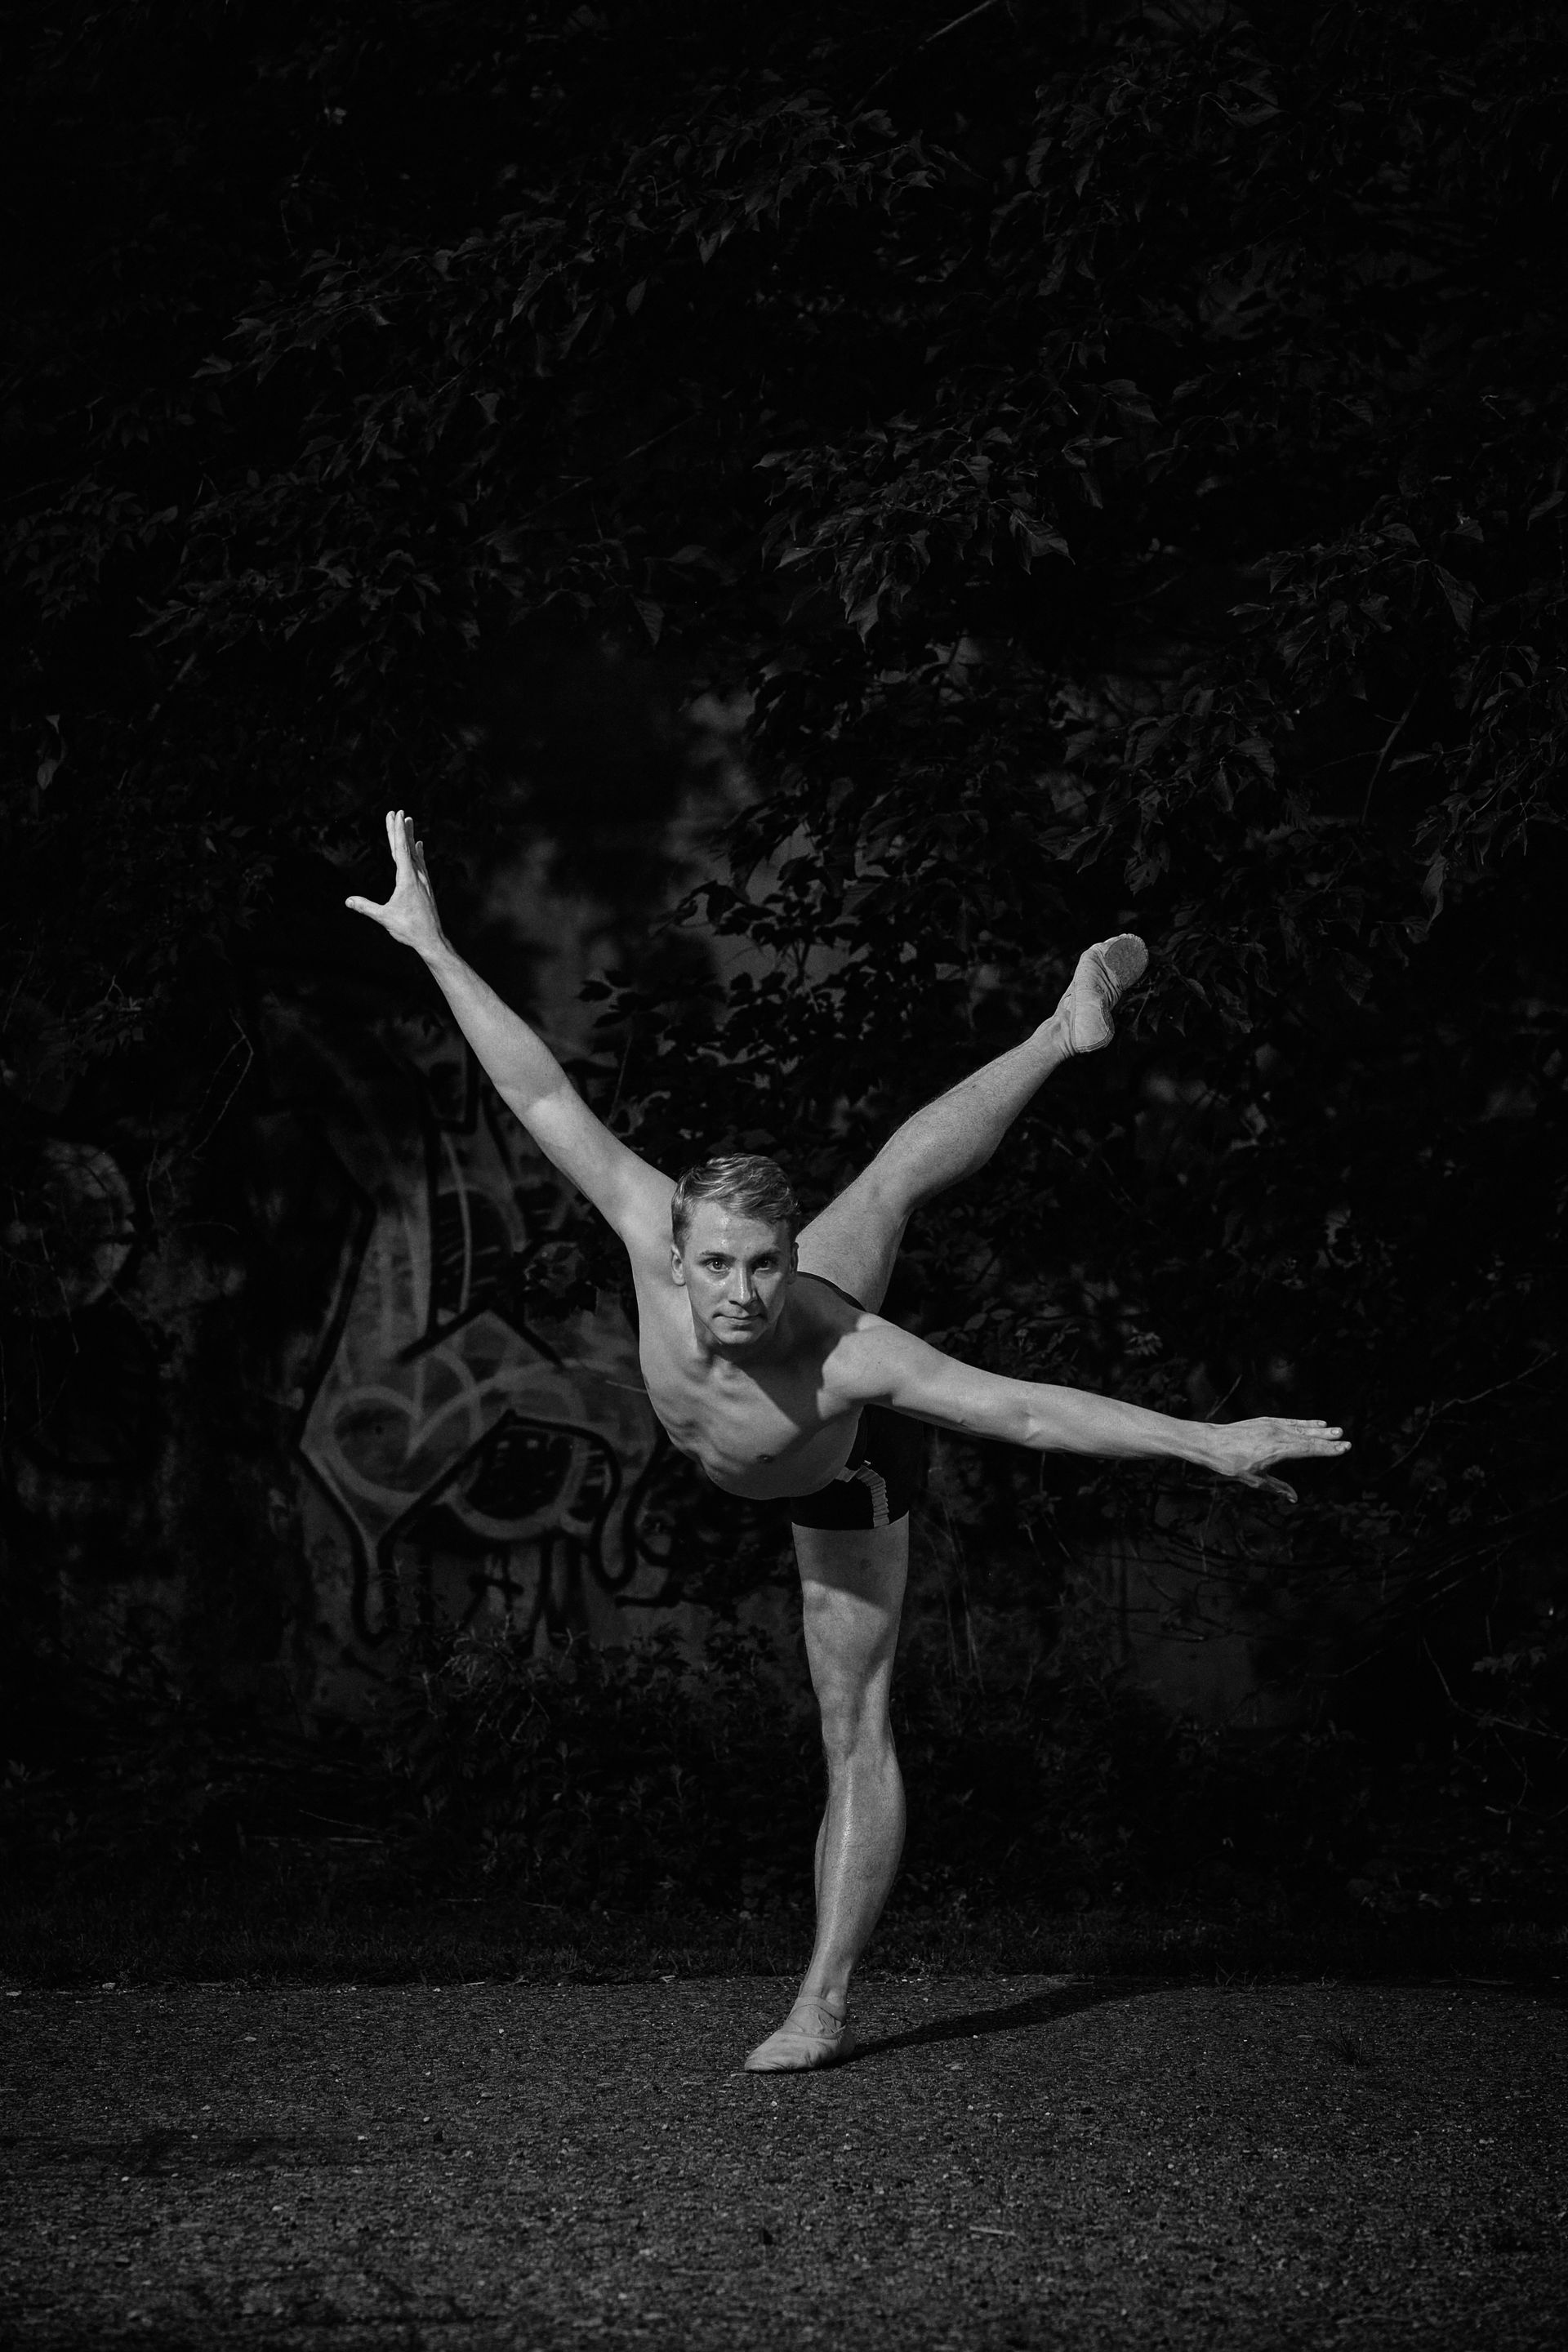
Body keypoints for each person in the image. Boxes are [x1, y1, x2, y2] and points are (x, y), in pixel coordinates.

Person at [347, 811, 1349, 2071]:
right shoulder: (647, 1221)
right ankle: (1061, 1028)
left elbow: (1022, 1409)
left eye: (764, 1265)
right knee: (879, 1188)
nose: (741, 1292)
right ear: (676, 1248)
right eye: (718, 1263)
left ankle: (820, 2002)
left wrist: (1209, 1444)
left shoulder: (836, 1347)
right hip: (733, 1438)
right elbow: (537, 1083)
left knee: (851, 1716)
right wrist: (433, 944)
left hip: (840, 1470)